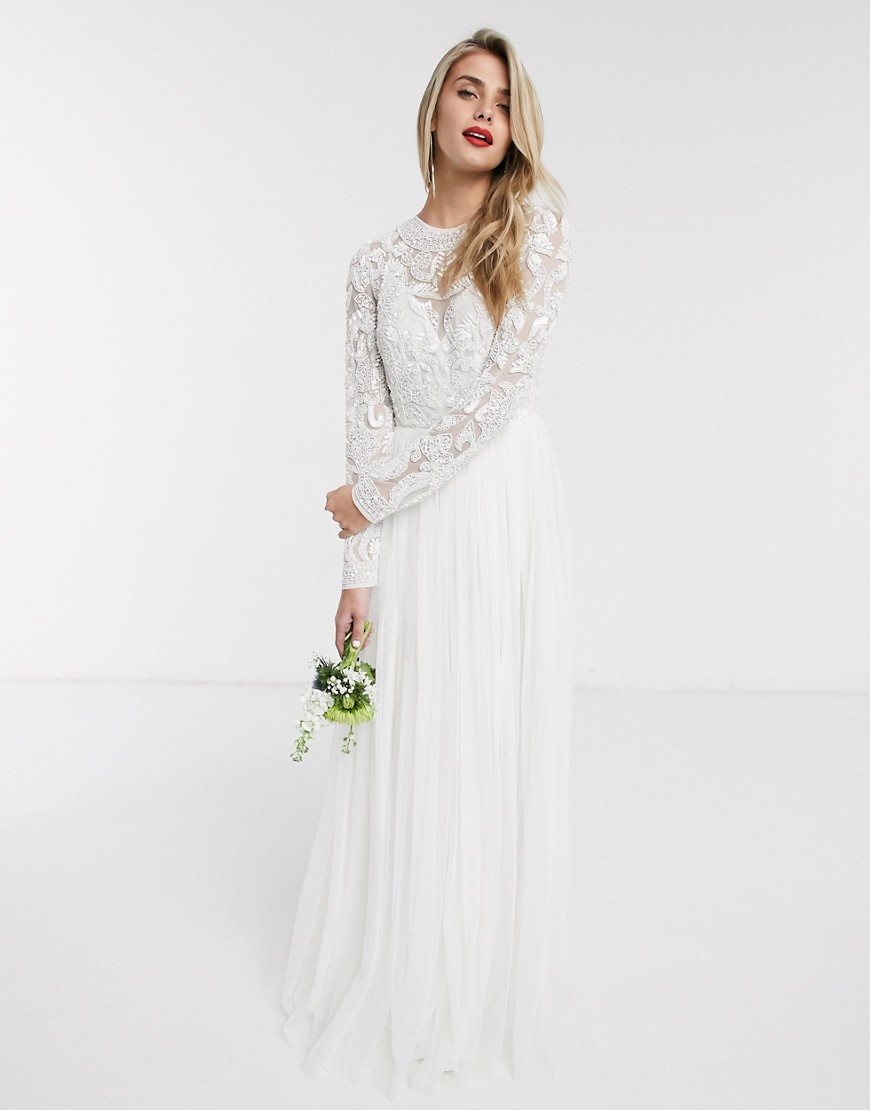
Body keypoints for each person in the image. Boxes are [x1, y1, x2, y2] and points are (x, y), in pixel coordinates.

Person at [281, 27, 574, 1099]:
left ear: (514, 125)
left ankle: (471, 975)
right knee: (406, 728)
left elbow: (495, 404)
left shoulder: (534, 229)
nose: (485, 110)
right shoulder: (371, 266)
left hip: (496, 507)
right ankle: (402, 961)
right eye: (466, 90)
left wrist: (375, 495)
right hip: (407, 523)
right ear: (435, 109)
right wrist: (357, 565)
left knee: (481, 723)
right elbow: (365, 422)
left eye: (501, 98)